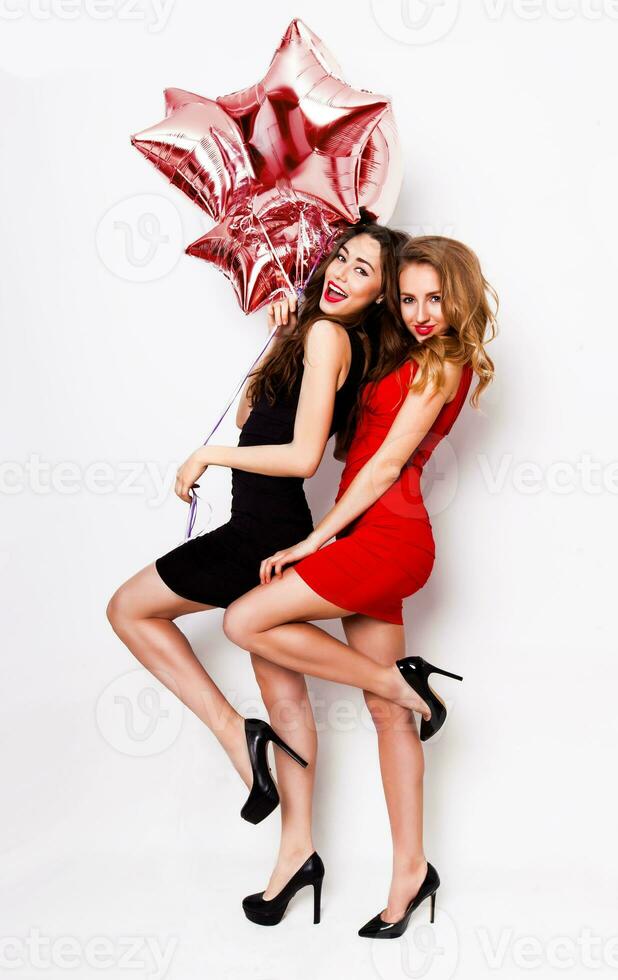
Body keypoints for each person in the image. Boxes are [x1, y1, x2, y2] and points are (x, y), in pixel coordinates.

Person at [222, 235, 498, 937]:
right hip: (368, 534)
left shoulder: (445, 362)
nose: (421, 311)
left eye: (435, 297)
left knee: (246, 621)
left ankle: (404, 683)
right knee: (387, 716)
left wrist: (316, 538)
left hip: (388, 536)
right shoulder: (402, 357)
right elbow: (348, 448)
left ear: (460, 295)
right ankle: (412, 872)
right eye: (408, 298)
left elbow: (380, 471)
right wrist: (290, 333)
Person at [105, 220, 410, 827]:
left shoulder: (329, 336)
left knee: (128, 609)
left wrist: (209, 454)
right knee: (285, 697)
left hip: (261, 530)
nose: (341, 275)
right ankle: (298, 852)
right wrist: (280, 337)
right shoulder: (312, 331)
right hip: (270, 527)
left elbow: (301, 457)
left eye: (362, 271)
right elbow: (250, 411)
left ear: (380, 294)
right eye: (341, 258)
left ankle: (235, 735)